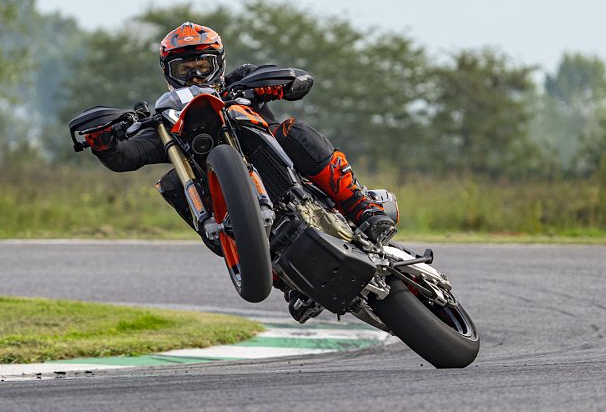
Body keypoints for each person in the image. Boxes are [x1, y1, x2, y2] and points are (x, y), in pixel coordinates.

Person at [82, 22, 397, 321]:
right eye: (184, 69)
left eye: (202, 66)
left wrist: (279, 85)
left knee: (294, 131)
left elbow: (300, 80)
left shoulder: (243, 80)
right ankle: (286, 281)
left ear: (218, 63)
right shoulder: (162, 123)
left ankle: (362, 206)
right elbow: (125, 156)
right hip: (226, 199)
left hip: (286, 172)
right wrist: (104, 143)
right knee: (173, 184)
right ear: (168, 72)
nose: (194, 76)